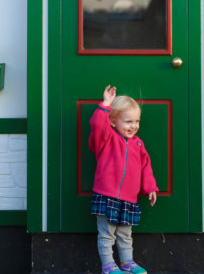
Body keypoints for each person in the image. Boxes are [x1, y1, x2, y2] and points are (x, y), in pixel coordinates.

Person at [89, 85, 158, 274]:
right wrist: (105, 106)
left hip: (129, 198)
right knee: (107, 234)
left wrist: (150, 187)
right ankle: (108, 266)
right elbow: (97, 125)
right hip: (107, 195)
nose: (133, 126)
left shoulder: (138, 144)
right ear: (112, 122)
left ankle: (127, 262)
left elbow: (146, 167)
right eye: (128, 121)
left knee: (125, 234)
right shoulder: (106, 139)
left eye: (136, 121)